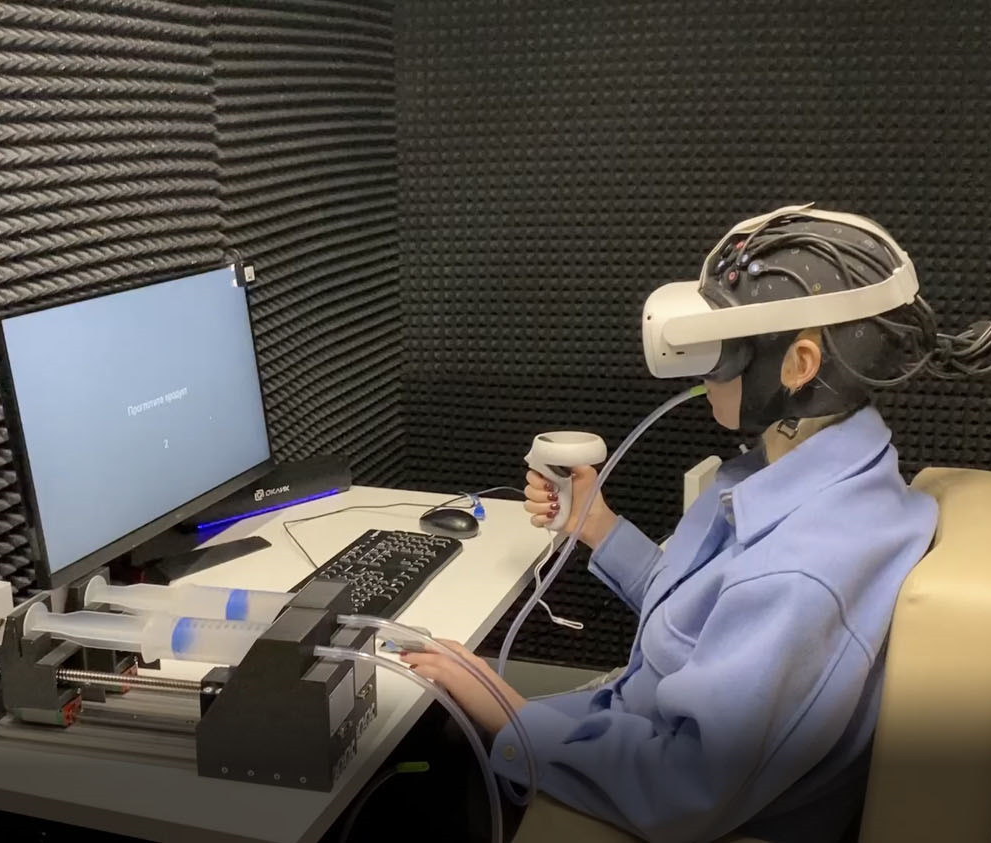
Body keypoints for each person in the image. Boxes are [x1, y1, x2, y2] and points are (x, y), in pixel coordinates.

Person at [401, 209, 940, 843]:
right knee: (441, 733)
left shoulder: (802, 572)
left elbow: (684, 787)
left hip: (669, 792)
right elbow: (705, 620)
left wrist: (513, 719)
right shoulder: (809, 477)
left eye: (722, 350)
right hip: (641, 729)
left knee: (435, 760)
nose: (701, 369)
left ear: (798, 365)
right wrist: (597, 525)